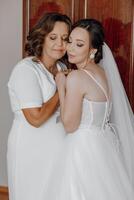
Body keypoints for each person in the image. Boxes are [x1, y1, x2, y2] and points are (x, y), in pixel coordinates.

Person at [43, 19, 134, 199]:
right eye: (70, 41)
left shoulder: (76, 77)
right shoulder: (102, 73)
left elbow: (70, 126)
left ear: (92, 51)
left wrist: (61, 85)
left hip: (81, 150)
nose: (70, 48)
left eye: (79, 44)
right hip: (103, 147)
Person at [7, 12, 71, 200]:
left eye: (65, 39)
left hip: (59, 150)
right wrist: (61, 89)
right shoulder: (26, 69)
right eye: (53, 37)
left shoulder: (61, 68)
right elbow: (35, 119)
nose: (60, 44)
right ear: (42, 37)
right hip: (31, 149)